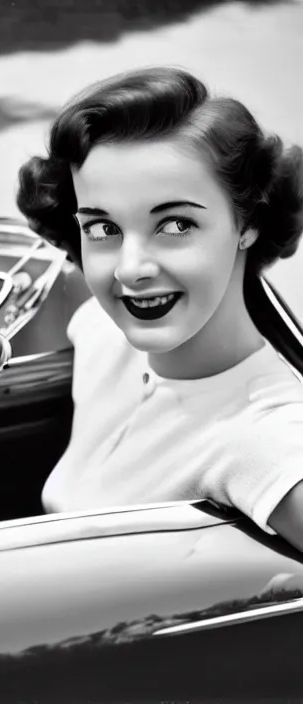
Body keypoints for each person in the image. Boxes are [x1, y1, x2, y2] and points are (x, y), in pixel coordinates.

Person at [16, 66, 303, 551]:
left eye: (174, 225)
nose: (130, 269)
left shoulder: (266, 440)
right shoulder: (98, 332)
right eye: (103, 229)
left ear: (248, 223)